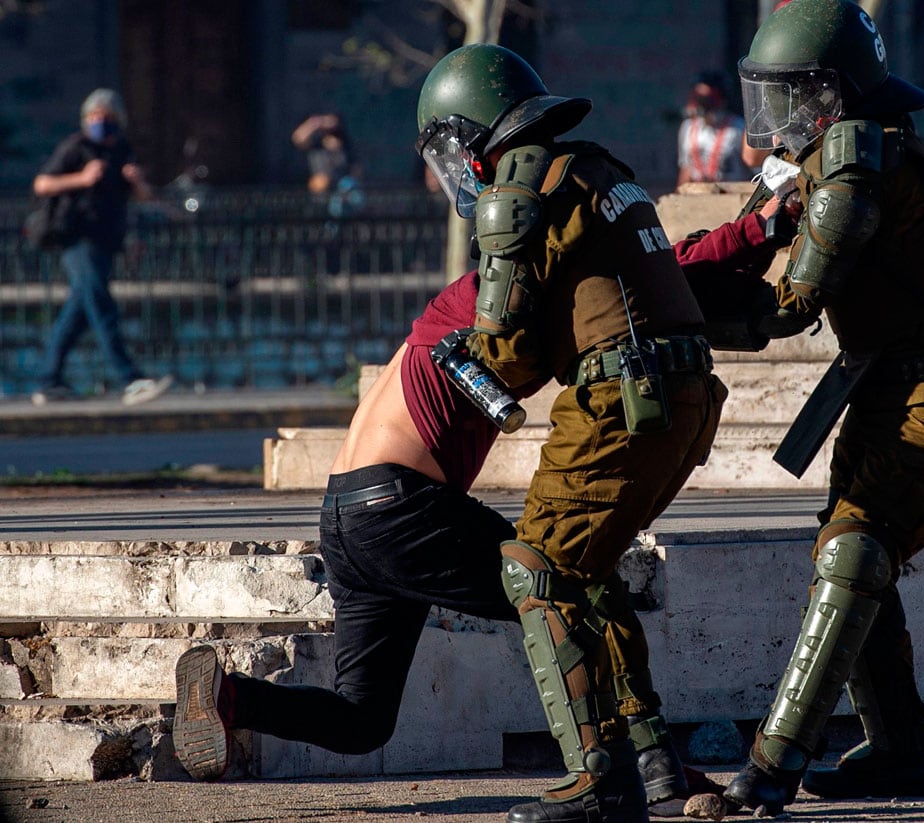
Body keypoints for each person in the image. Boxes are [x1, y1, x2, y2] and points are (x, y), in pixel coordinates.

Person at [173, 119, 787, 823]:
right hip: (403, 505)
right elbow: (663, 273)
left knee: (362, 717)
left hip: (346, 512)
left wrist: (752, 235)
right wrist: (752, 235)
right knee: (566, 586)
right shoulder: (489, 293)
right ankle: (651, 773)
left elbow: (652, 277)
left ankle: (229, 697)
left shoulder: (455, 304)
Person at [415, 44, 739, 823]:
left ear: (470, 137)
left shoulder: (515, 188)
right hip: (681, 394)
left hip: (622, 397)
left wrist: (463, 356)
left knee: (535, 567)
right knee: (584, 569)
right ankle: (654, 759)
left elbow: (508, 353)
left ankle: (597, 779)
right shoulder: (590, 166)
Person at [717, 0, 924, 815]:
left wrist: (685, 317)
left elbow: (791, 308)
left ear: (831, 96)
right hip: (889, 381)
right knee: (853, 544)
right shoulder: (833, 159)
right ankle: (901, 754)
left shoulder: (856, 162)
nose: (777, 123)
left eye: (791, 100)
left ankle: (773, 766)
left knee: (854, 551)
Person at [29, 88, 173, 407]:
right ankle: (130, 377)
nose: (100, 123)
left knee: (78, 312)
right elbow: (42, 184)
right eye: (95, 117)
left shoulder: (122, 149)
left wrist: (137, 182)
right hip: (77, 238)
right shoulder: (76, 148)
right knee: (102, 305)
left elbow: (143, 196)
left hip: (106, 240)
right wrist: (80, 179)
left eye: (106, 118)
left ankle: (47, 379)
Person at [676, 72, 750, 186]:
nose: (703, 105)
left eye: (708, 100)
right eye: (699, 99)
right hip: (697, 193)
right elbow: (686, 168)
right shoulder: (688, 128)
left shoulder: (738, 128)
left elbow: (752, 168)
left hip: (731, 194)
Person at [291, 112, 358, 196]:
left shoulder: (344, 140)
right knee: (320, 182)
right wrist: (314, 123)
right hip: (321, 185)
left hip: (342, 185)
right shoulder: (316, 142)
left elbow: (355, 167)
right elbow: (298, 139)